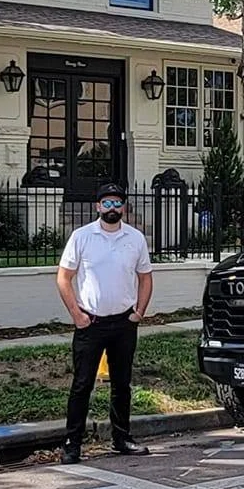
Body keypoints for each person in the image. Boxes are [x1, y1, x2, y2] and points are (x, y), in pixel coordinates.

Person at [56, 183, 153, 464]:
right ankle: (72, 443)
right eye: (106, 203)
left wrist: (139, 312)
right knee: (82, 384)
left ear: (123, 207)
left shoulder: (135, 238)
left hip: (124, 323)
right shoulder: (82, 236)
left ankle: (122, 438)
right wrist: (76, 314)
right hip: (91, 323)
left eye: (117, 203)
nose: (112, 209)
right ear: (98, 207)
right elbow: (64, 277)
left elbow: (145, 277)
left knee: (122, 384)